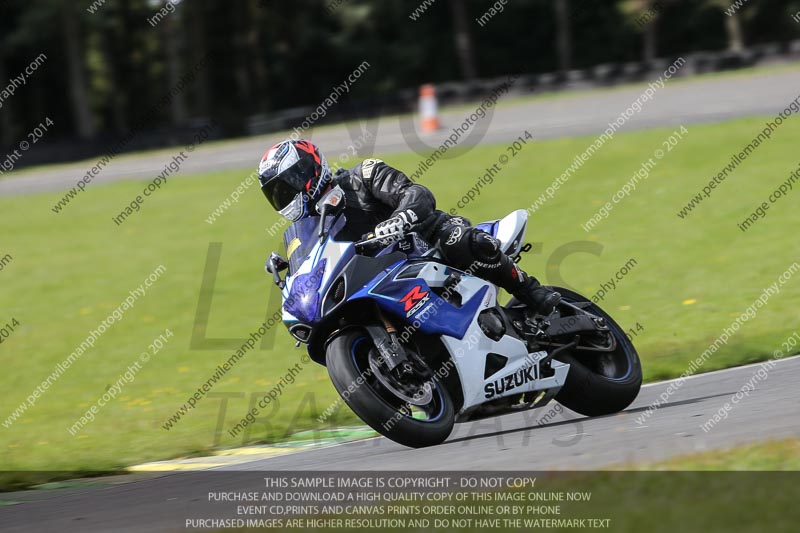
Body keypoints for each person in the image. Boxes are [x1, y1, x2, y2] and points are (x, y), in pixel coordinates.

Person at [257, 139, 561, 315]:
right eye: (278, 192)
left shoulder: (361, 176)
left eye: (290, 184)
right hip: (379, 281)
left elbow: (417, 194)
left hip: (425, 242)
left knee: (459, 240)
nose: (287, 195)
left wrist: (399, 219)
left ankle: (532, 292)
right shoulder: (308, 230)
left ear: (310, 168)